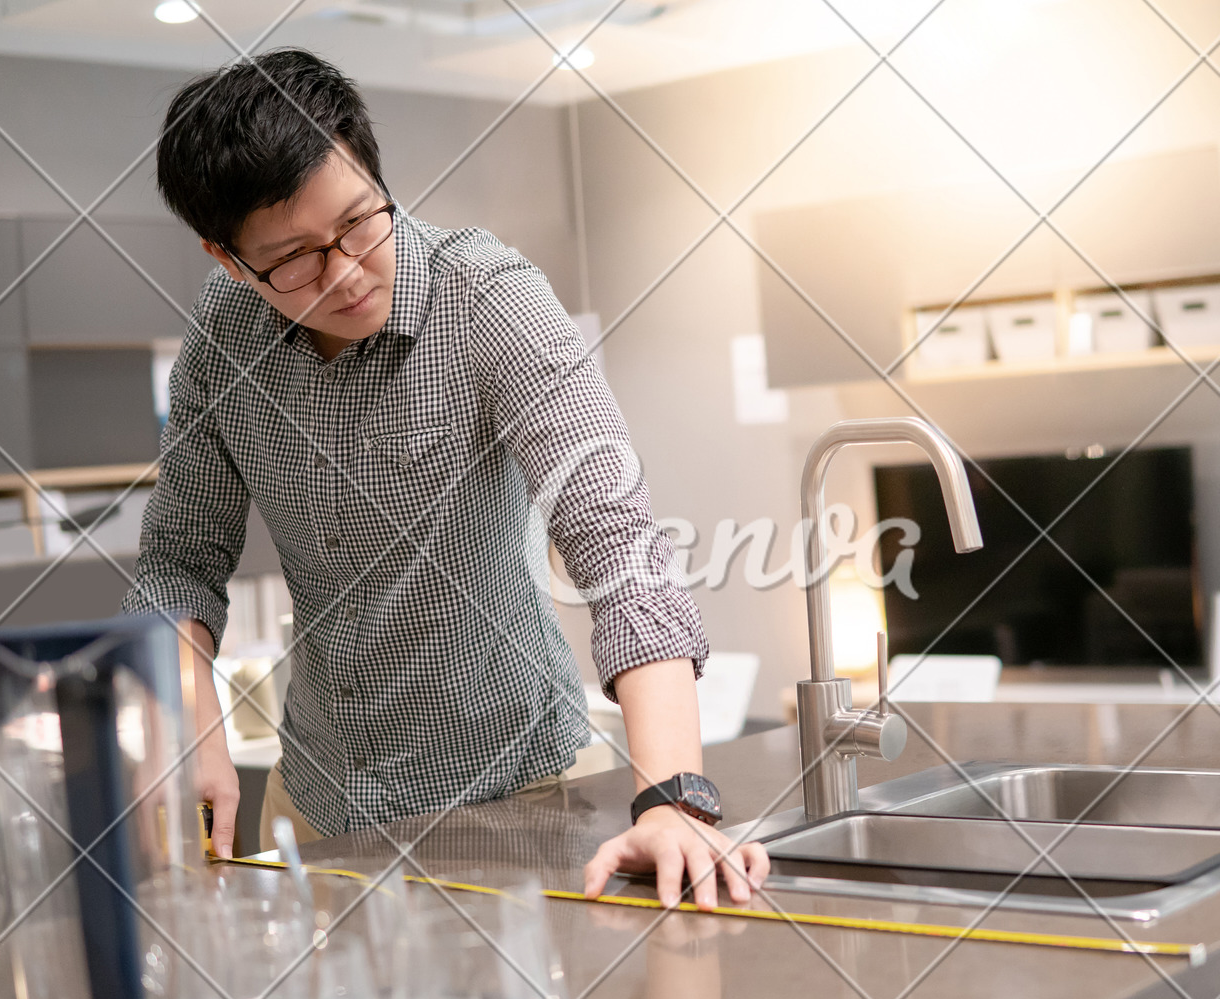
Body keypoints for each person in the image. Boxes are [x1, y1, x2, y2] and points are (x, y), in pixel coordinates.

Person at [122, 47, 767, 910]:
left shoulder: (488, 299)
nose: (346, 271)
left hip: (519, 797)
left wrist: (674, 795)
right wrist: (190, 722)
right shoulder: (222, 337)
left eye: (358, 223)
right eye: (296, 260)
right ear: (228, 258)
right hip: (318, 805)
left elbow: (619, 544)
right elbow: (177, 558)